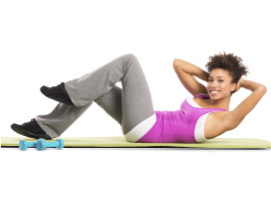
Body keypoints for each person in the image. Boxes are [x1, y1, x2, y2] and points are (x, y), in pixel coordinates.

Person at [11, 52, 267, 143]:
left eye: (220, 81)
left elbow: (261, 90)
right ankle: (46, 127)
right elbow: (178, 64)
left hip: (146, 127)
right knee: (98, 87)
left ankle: (68, 90)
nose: (211, 85)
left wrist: (239, 81)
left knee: (128, 62)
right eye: (211, 79)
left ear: (234, 86)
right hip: (145, 121)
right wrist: (214, 76)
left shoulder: (226, 119)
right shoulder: (202, 95)